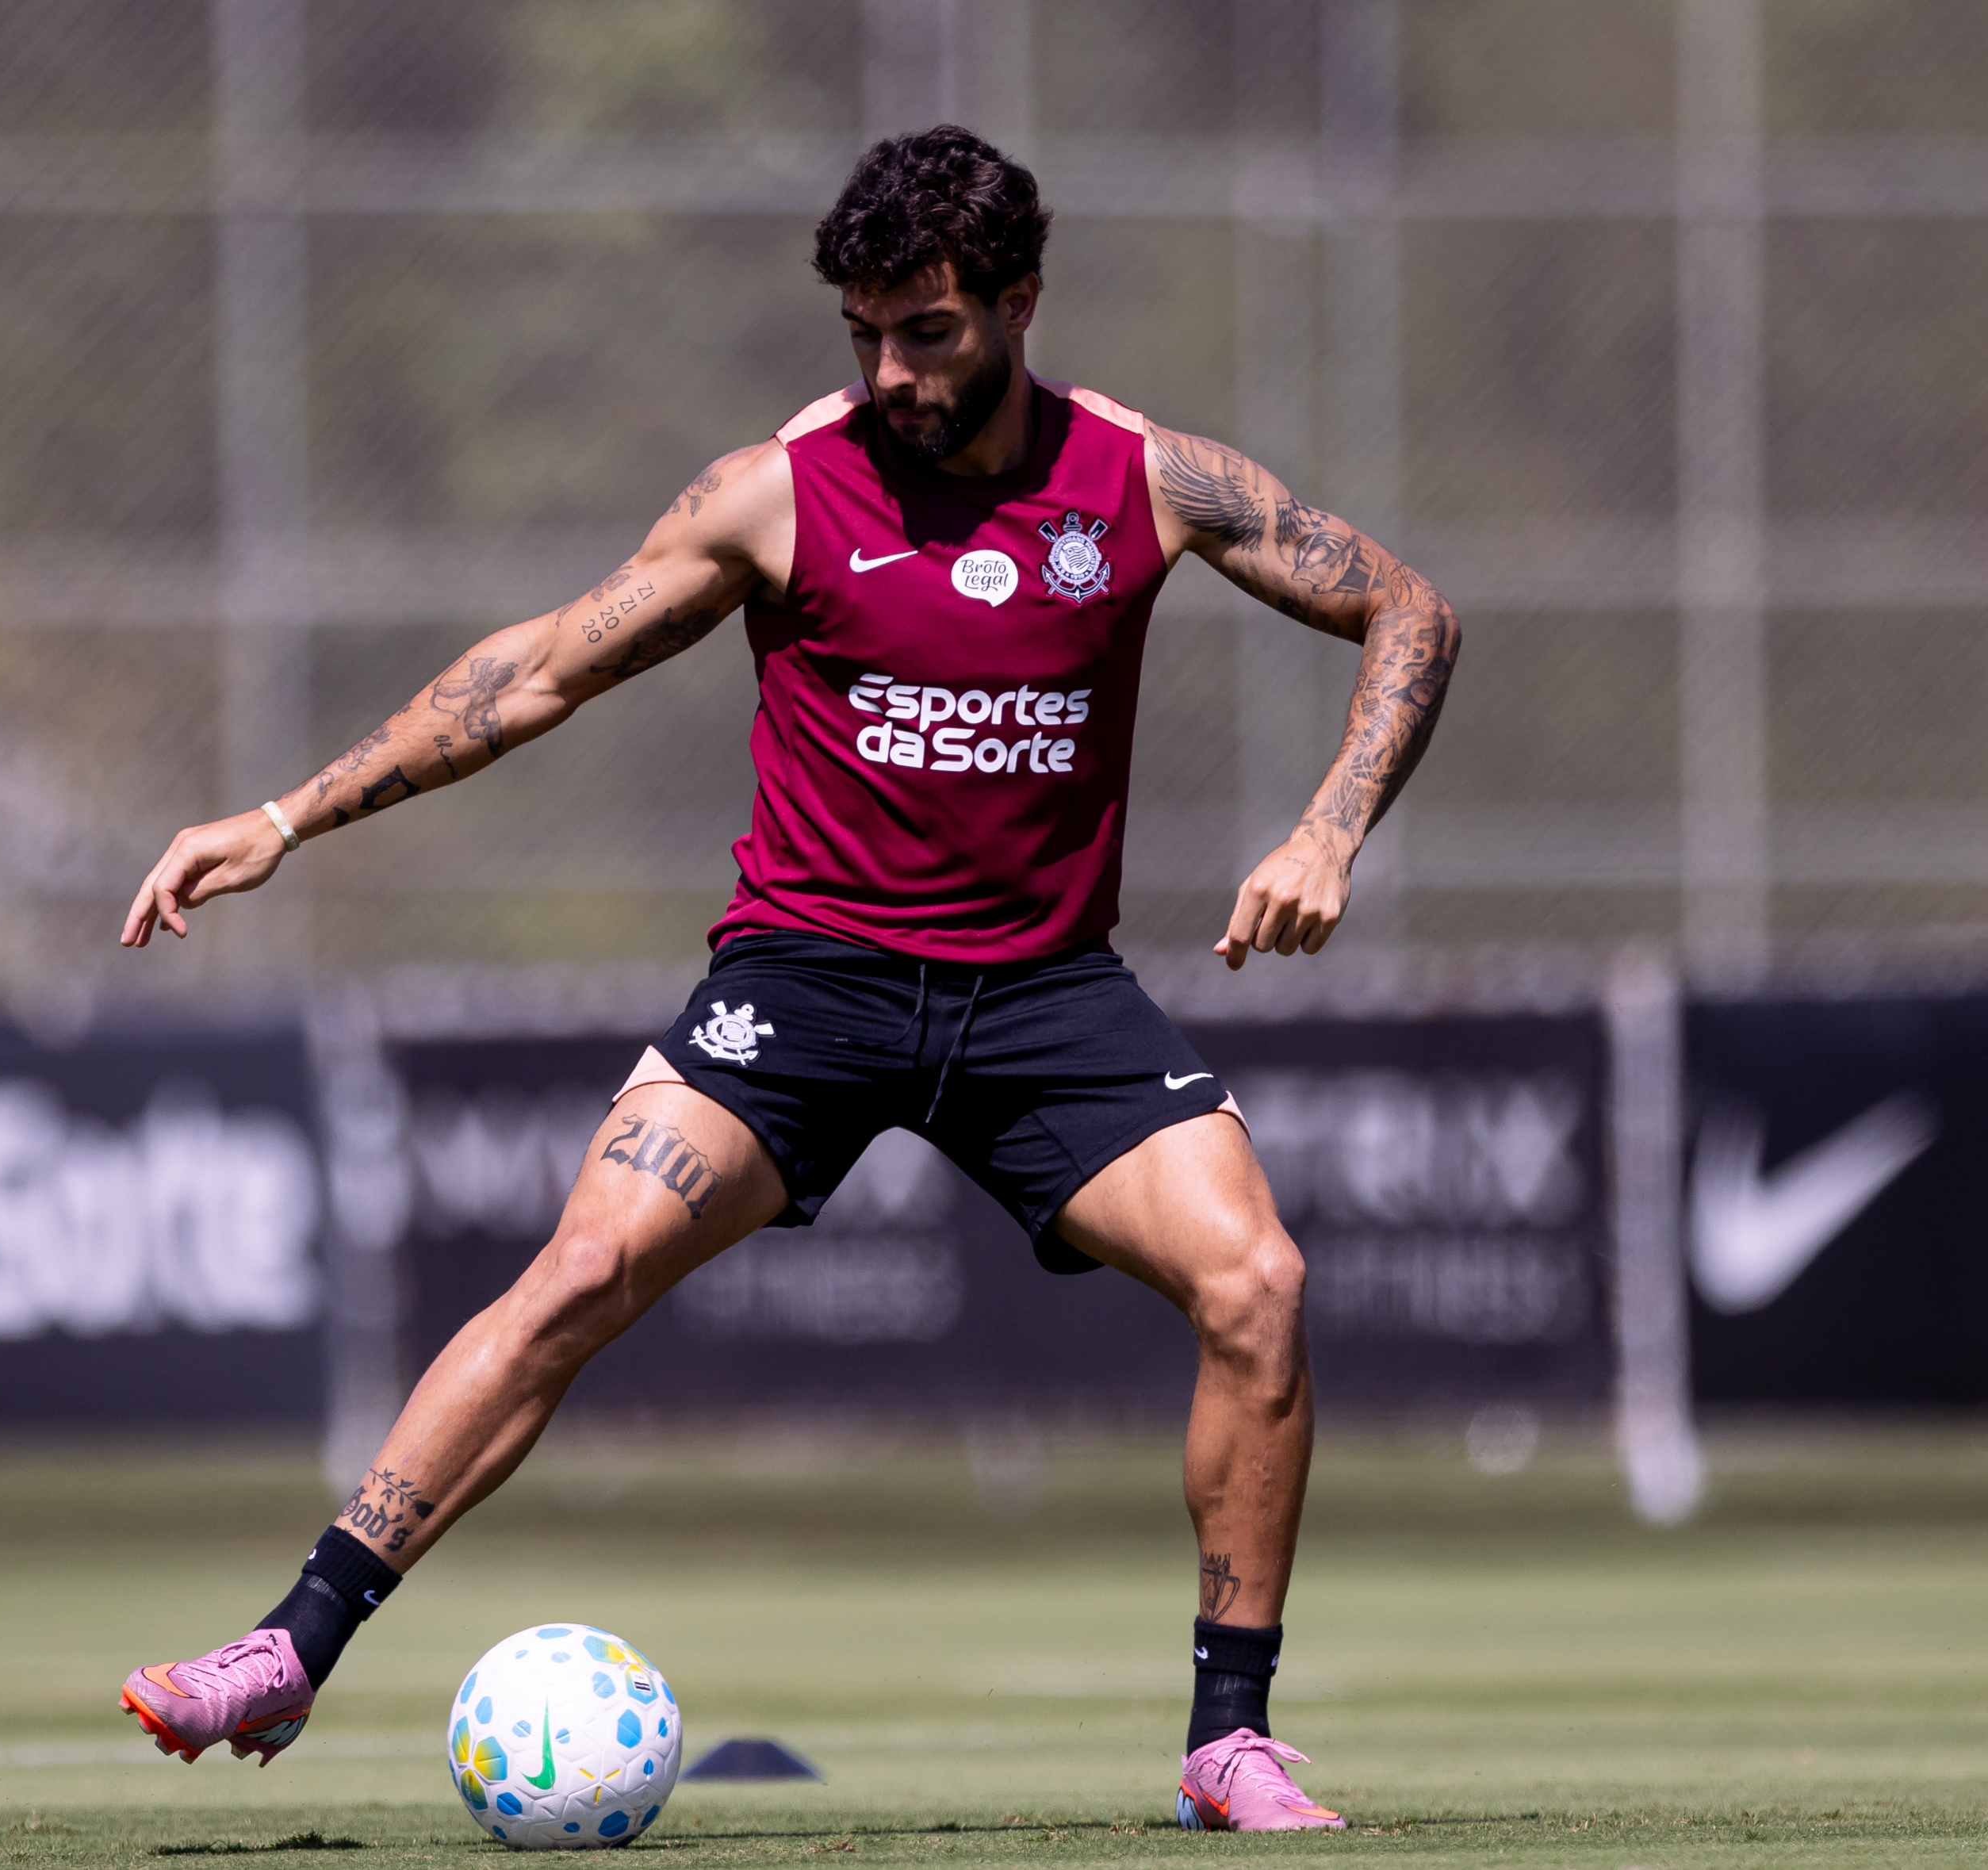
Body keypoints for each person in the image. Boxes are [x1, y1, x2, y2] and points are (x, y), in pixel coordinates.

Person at [114, 126, 1457, 1833]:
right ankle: (288, 1649)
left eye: (931, 333)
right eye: (865, 335)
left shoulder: (1146, 482)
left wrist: (1332, 834)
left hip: (1041, 996)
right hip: (804, 982)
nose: (892, 373)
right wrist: (286, 817)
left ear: (1021, 306)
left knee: (1259, 1281)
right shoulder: (777, 491)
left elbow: (1412, 613)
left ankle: (1229, 1741)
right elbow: (532, 675)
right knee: (582, 1265)